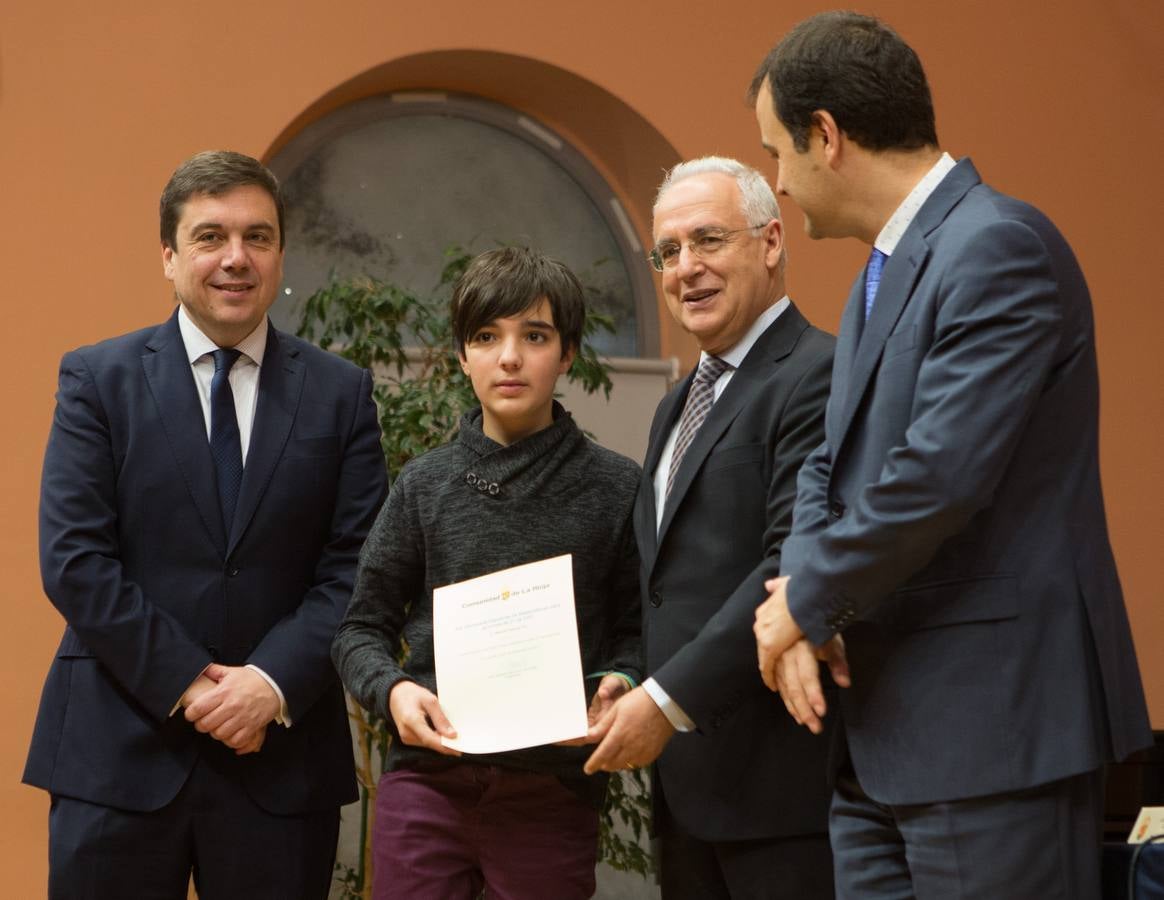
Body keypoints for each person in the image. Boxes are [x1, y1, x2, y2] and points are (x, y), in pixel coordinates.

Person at [747, 12, 1152, 898]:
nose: (777, 182)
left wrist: (802, 604)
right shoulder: (879, 275)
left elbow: (938, 477)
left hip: (992, 732)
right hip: (882, 739)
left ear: (828, 136)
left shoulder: (997, 245)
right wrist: (806, 600)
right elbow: (828, 465)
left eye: (778, 151)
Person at [23, 150, 387, 899]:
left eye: (258, 237)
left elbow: (357, 566)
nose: (236, 259)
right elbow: (76, 561)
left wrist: (270, 683)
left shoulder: (340, 393)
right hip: (117, 751)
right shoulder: (98, 380)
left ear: (281, 252)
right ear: (168, 255)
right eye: (210, 237)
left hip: (281, 762)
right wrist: (191, 683)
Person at [331, 246, 642, 900]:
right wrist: (390, 691)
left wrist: (620, 680)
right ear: (462, 355)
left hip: (551, 791)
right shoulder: (424, 486)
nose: (509, 357)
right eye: (486, 336)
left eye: (534, 336)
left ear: (568, 353)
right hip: (426, 783)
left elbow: (639, 628)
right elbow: (359, 629)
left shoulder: (617, 488)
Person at [584, 157, 838, 899]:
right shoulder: (675, 406)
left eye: (708, 241)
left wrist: (663, 702)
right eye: (668, 252)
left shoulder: (819, 373)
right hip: (688, 795)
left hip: (783, 794)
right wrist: (629, 675)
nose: (685, 268)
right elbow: (667, 585)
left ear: (770, 241)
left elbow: (787, 564)